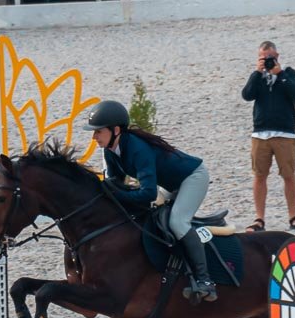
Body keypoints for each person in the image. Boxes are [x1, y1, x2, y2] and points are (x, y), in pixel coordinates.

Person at [83, 100, 217, 303]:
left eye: (98, 132)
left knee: (177, 222)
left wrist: (116, 194)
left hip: (192, 178)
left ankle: (205, 280)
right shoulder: (110, 150)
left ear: (116, 130)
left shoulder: (137, 149)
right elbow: (114, 184)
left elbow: (147, 195)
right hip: (170, 185)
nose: (94, 137)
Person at [240, 41, 295, 233]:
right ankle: (259, 218)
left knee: (288, 175)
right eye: (264, 58)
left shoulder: (289, 73)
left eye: (271, 58)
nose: (268, 61)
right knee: (259, 176)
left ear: (277, 55)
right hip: (260, 133)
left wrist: (280, 74)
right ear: (259, 58)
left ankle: (293, 217)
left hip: (284, 133)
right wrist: (256, 73)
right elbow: (247, 95)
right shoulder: (257, 77)